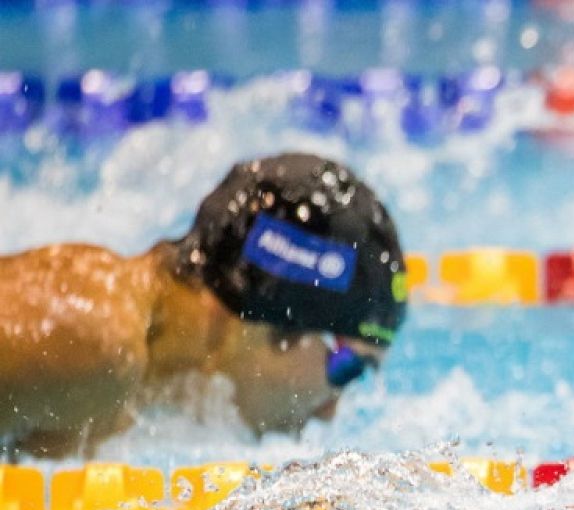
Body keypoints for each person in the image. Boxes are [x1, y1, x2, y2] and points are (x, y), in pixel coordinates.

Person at [0, 153, 407, 458]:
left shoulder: (130, 389)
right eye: (346, 366)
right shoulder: (93, 341)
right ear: (269, 318)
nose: (330, 411)